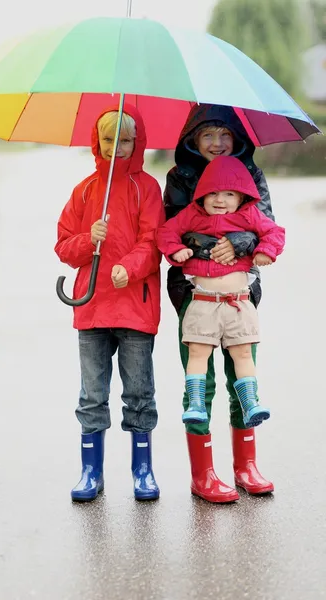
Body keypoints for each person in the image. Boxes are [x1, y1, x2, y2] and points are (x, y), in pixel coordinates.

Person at [163, 104, 276, 502]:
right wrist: (216, 248)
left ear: (238, 138)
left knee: (242, 368)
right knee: (200, 376)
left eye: (225, 134)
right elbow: (173, 227)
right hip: (193, 289)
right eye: (208, 134)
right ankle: (203, 471)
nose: (217, 142)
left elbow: (266, 225)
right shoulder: (180, 177)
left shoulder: (252, 175)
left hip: (241, 287)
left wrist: (242, 244)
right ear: (192, 138)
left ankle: (246, 464)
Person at [55, 104, 165, 502]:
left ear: (137, 143)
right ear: (95, 141)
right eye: (108, 138)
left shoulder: (147, 188)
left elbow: (153, 244)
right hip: (92, 308)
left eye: (125, 139)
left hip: (134, 307)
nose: (116, 146)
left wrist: (129, 268)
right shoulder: (85, 191)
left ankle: (143, 469)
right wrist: (89, 238)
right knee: (92, 395)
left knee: (139, 392)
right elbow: (64, 246)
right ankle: (91, 471)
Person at [158, 154, 285, 429]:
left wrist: (263, 250)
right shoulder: (192, 214)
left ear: (242, 197)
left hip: (238, 302)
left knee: (242, 353)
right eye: (212, 192)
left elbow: (275, 233)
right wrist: (177, 249)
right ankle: (195, 403)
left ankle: (250, 402)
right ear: (201, 194)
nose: (220, 200)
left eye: (229, 194)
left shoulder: (249, 215)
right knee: (198, 352)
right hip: (202, 301)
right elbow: (166, 232)